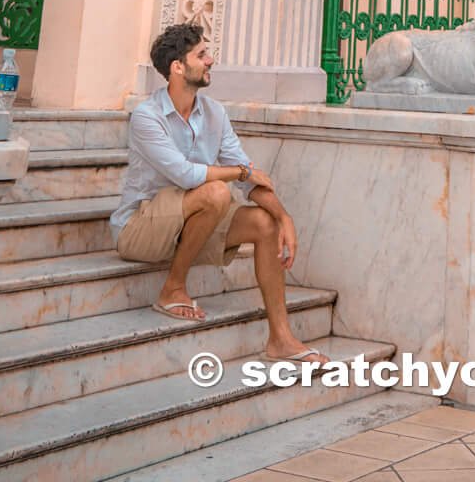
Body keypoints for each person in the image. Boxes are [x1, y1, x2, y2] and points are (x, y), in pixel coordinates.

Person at [112, 21, 327, 362]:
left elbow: (249, 180)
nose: (210, 60)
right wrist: (241, 172)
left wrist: (284, 218)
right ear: (177, 67)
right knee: (216, 193)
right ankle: (173, 289)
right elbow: (186, 174)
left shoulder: (214, 112)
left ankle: (281, 340)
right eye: (202, 54)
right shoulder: (147, 116)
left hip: (188, 227)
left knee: (262, 222)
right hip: (140, 228)